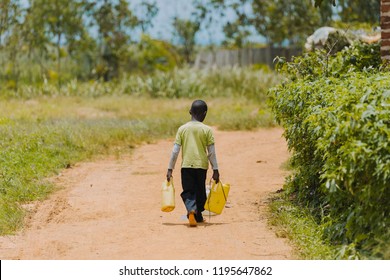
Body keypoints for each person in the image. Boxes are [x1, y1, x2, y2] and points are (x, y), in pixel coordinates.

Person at [166, 100, 220, 227]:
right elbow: (211, 152)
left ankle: (193, 212)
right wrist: (215, 169)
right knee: (200, 191)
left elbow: (175, 151)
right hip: (201, 166)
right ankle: (195, 213)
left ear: (190, 112)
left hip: (186, 166)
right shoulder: (207, 130)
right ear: (205, 114)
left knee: (189, 191)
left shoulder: (182, 129)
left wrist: (170, 168)